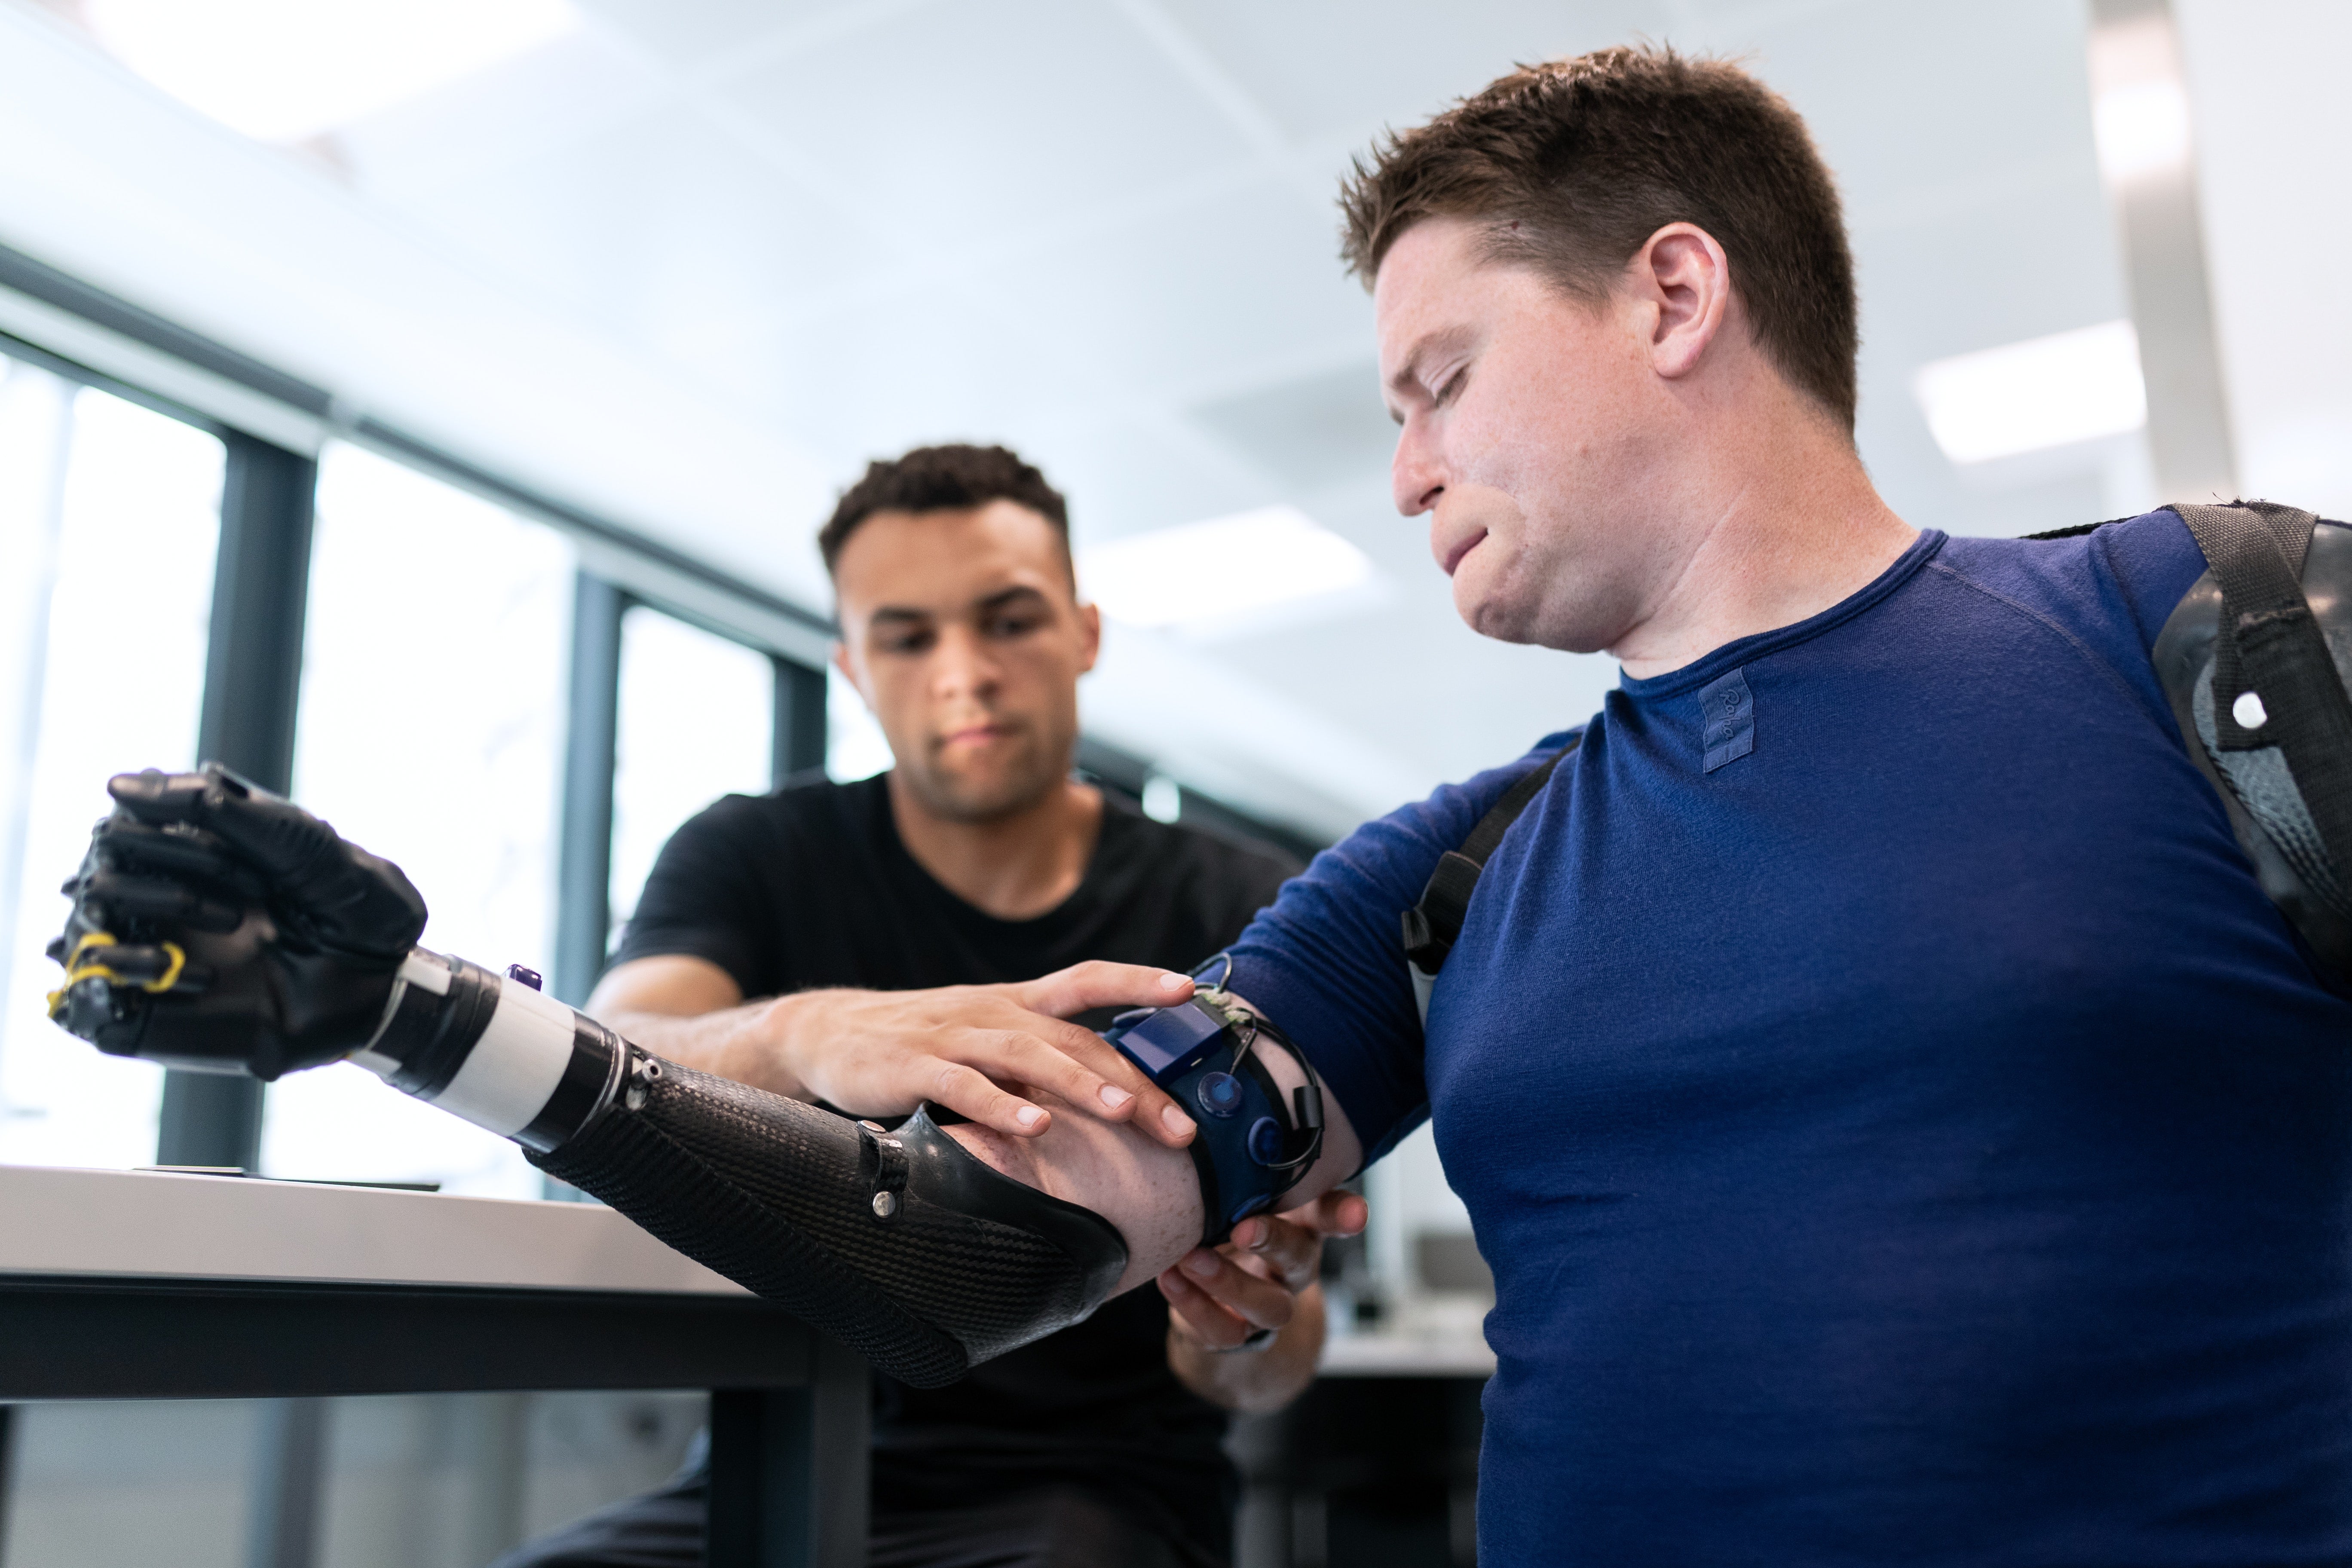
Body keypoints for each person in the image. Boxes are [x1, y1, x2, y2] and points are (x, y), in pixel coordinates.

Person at [54, 42, 2352, 1568]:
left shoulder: (2218, 634)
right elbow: (961, 1253)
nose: (1406, 466)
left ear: (1674, 294)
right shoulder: (1446, 882)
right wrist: (418, 1007)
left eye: (1441, 377)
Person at [503, 444, 1352, 1568]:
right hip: (780, 1459)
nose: (964, 672)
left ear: (1084, 635)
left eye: (1008, 620)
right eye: (908, 637)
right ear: (854, 668)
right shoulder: (753, 856)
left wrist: (1241, 1319)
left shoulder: (1247, 909)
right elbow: (611, 1057)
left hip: (1097, 1497)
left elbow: (1269, 1367)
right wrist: (795, 1030)